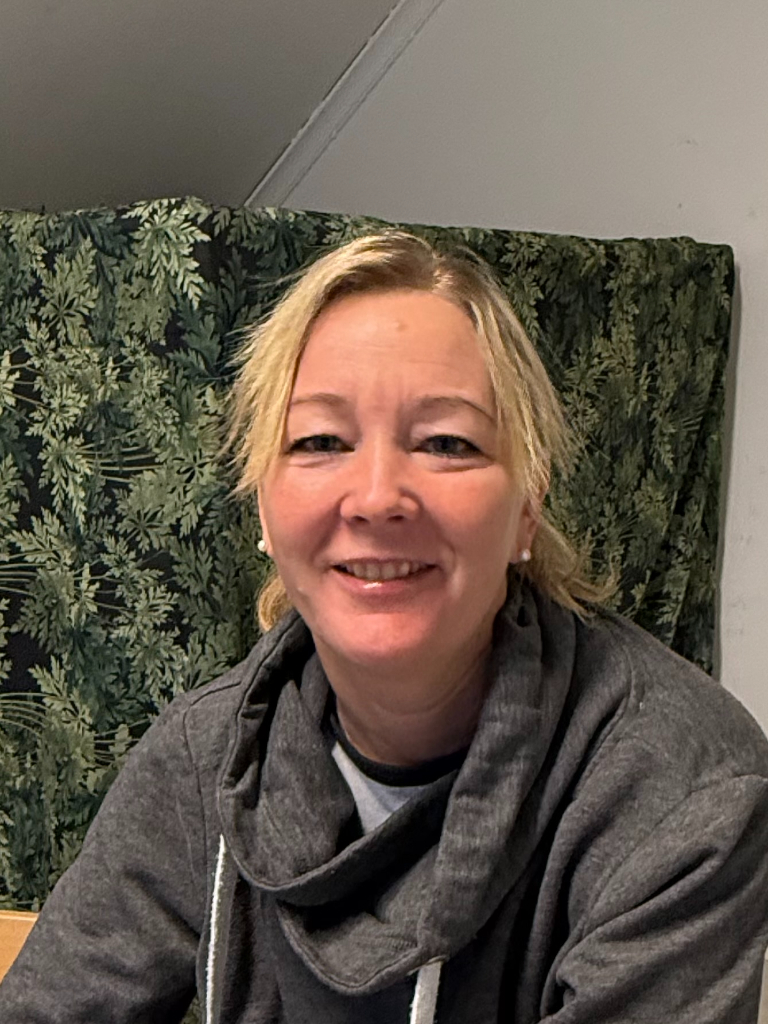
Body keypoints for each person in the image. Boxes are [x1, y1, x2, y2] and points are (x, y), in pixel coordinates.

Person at [2, 231, 768, 1024]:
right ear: (263, 508)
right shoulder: (205, 760)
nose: (376, 497)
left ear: (528, 505)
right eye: (320, 442)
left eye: (446, 443)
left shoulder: (680, 788)